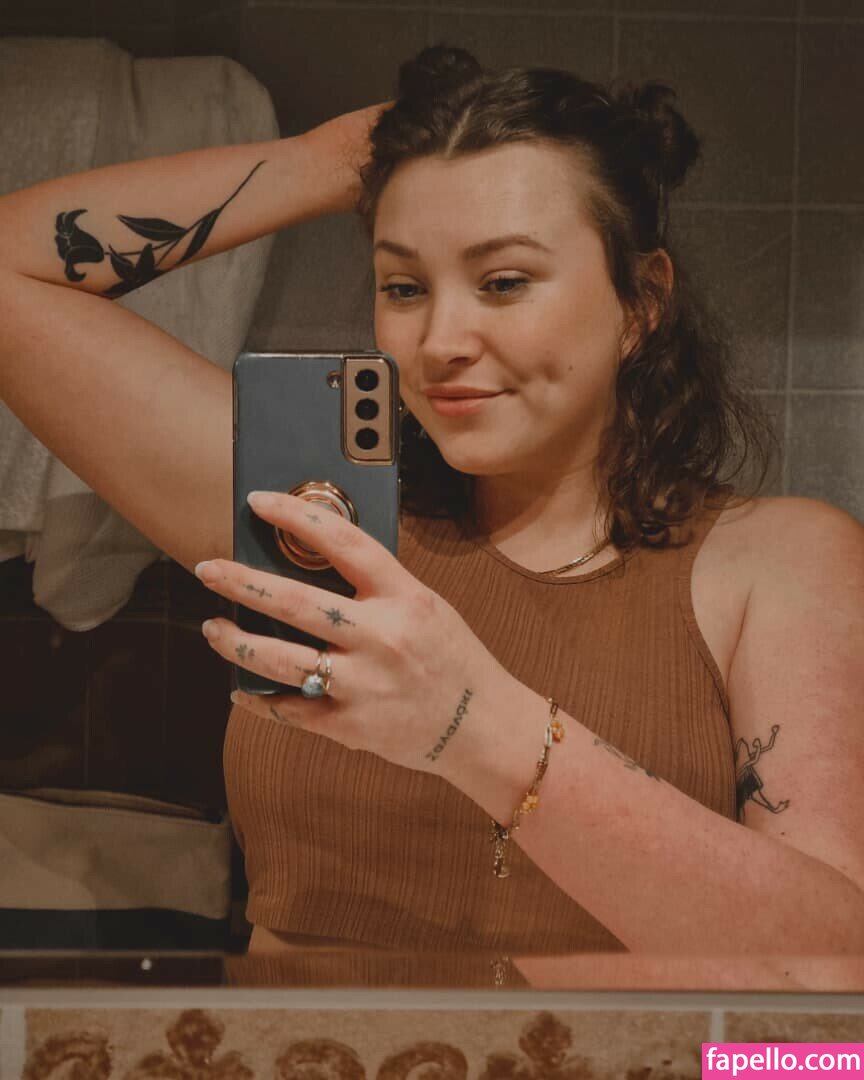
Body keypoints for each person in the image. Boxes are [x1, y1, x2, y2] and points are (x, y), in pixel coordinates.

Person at [1, 45, 862, 962]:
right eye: (404, 287)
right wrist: (333, 161)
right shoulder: (318, 523)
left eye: (504, 282)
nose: (441, 340)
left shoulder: (776, 562)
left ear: (641, 303)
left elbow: (831, 974)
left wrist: (469, 720)